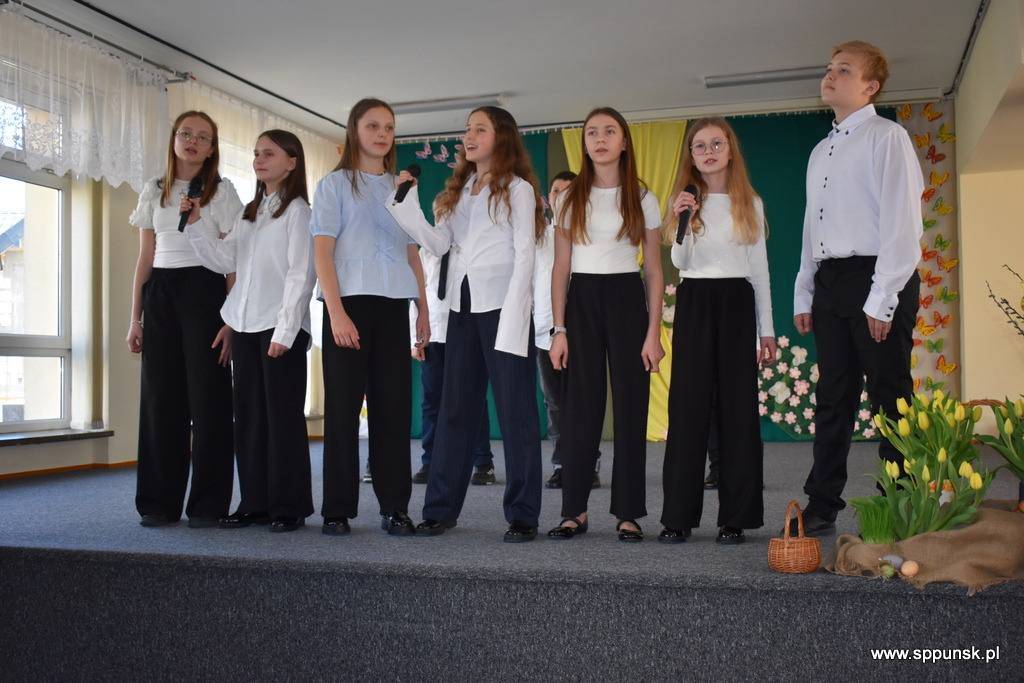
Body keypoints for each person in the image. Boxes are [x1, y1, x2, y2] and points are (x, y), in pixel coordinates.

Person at [388, 106, 545, 542]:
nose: (469, 136)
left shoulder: (518, 189)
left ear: (502, 137)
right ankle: (439, 510)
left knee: (516, 414)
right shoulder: (459, 191)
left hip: (503, 308)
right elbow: (438, 244)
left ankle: (523, 514)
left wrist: (515, 317)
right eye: (467, 129)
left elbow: (525, 255)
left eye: (480, 129)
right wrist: (407, 204)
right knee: (456, 410)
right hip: (461, 308)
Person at [791, 41, 923, 536]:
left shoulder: (887, 137)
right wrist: (806, 292)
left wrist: (883, 298)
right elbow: (813, 227)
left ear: (871, 86)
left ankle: (901, 502)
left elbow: (903, 223)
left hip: (878, 275)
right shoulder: (819, 151)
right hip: (830, 281)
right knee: (833, 396)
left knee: (890, 396)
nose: (831, 75)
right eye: (829, 68)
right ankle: (822, 503)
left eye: (844, 70)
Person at [183, 129, 316, 532]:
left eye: (269, 154)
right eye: (257, 153)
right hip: (244, 323)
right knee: (250, 419)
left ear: (291, 162)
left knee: (282, 419)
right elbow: (225, 261)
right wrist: (195, 223)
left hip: (279, 327)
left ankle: (289, 505)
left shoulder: (298, 212)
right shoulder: (249, 212)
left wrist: (285, 331)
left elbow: (301, 274)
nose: (259, 160)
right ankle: (255, 502)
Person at [310, 98, 429, 536]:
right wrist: (336, 313)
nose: (382, 134)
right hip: (348, 306)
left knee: (393, 410)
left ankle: (394, 506)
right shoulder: (333, 184)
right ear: (354, 131)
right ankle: (337, 509)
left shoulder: (404, 187)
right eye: (373, 126)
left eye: (389, 127)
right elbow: (322, 253)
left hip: (393, 305)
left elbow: (412, 252)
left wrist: (423, 309)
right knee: (343, 411)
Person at [546, 107, 665, 543]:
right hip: (580, 301)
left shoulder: (642, 197)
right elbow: (560, 269)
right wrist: (559, 330)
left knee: (632, 407)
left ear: (624, 141)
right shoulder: (568, 198)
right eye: (592, 132)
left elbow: (654, 271)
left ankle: (629, 512)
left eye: (609, 131)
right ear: (584, 143)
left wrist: (652, 333)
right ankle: (574, 510)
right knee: (580, 410)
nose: (600, 139)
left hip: (627, 298)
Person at [659, 117, 776, 545]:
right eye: (699, 146)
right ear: (690, 156)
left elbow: (760, 272)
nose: (708, 152)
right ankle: (678, 517)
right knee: (687, 408)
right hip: (695, 300)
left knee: (737, 410)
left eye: (716, 144)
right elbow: (681, 263)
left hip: (737, 303)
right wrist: (684, 219)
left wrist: (766, 330)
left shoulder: (751, 203)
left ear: (729, 150)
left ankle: (735, 518)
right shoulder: (684, 201)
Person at [126, 111, 241, 528]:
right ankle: (158, 502)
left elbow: (233, 261)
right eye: (186, 133)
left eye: (203, 137)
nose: (193, 141)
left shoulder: (221, 192)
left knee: (209, 400)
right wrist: (135, 318)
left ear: (212, 149)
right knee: (161, 400)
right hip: (160, 294)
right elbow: (145, 257)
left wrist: (231, 320)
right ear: (174, 139)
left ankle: (208, 504)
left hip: (205, 293)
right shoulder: (153, 189)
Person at [535, 171, 602, 490]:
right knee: (554, 403)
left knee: (584, 401)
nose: (560, 196)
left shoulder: (589, 235)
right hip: (544, 333)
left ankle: (589, 464)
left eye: (567, 191)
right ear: (548, 199)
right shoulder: (538, 237)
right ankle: (562, 464)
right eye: (555, 191)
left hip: (582, 330)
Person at [410, 248, 496, 486]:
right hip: (433, 335)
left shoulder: (468, 248)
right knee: (431, 401)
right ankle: (430, 462)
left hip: (465, 333)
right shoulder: (426, 252)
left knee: (473, 398)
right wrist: (415, 340)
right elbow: (416, 295)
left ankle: (483, 462)